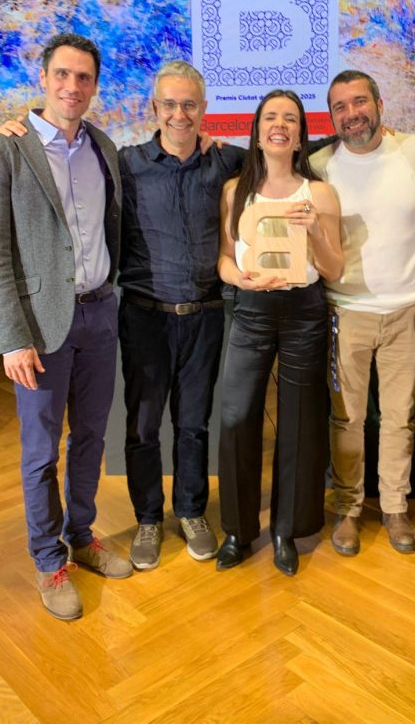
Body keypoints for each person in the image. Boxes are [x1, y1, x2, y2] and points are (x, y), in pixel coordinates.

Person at [0, 33, 132, 622]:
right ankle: (47, 559)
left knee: (89, 438)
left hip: (100, 315)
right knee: (40, 452)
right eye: (62, 74)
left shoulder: (103, 147)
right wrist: (11, 337)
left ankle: (82, 535)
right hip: (39, 329)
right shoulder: (2, 151)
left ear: (95, 85)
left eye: (84, 77)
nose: (72, 86)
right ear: (43, 78)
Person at [118, 62, 247, 569]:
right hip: (144, 317)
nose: (179, 114)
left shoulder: (227, 161)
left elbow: (285, 155)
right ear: (154, 108)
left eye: (189, 104)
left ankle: (192, 511)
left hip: (204, 315)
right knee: (143, 427)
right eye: (169, 104)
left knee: (193, 424)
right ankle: (148, 519)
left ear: (203, 109)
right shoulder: (126, 163)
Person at [216, 90, 343, 575]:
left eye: (290, 118)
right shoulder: (235, 191)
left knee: (300, 422)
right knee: (236, 417)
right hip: (250, 309)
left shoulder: (320, 194)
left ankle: (286, 530)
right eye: (271, 117)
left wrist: (314, 231)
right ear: (256, 131)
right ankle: (238, 530)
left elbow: (334, 268)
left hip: (304, 311)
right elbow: (224, 258)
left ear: (300, 135)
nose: (280, 125)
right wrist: (238, 278)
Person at [310, 70, 415, 557]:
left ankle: (396, 507)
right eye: (340, 106)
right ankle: (348, 508)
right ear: (331, 116)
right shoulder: (318, 166)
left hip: (407, 309)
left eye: (360, 101)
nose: (351, 113)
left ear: (379, 105)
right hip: (345, 311)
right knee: (347, 419)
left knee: (399, 418)